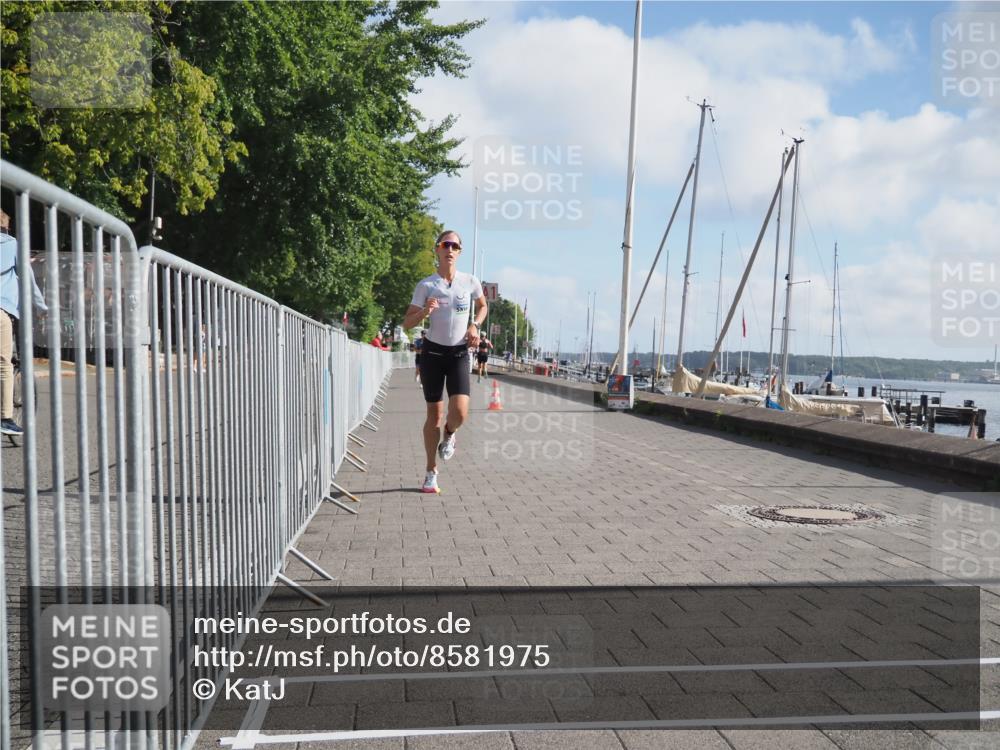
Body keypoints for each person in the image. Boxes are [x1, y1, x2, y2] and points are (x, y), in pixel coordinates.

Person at [403, 230, 487, 494]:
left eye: (454, 246)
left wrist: (475, 325)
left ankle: (450, 434)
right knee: (434, 416)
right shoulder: (426, 285)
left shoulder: (470, 281)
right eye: (444, 244)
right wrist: (425, 311)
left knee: (460, 412)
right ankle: (430, 472)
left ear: (460, 251)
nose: (449, 249)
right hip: (433, 354)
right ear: (437, 249)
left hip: (460, 353)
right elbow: (407, 323)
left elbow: (483, 306)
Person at [1, 209, 47, 436]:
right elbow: (28, 279)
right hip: (2, 309)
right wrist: (42, 307)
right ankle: (6, 417)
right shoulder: (10, 244)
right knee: (4, 363)